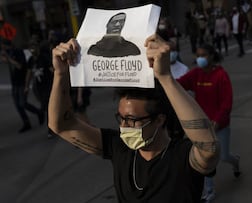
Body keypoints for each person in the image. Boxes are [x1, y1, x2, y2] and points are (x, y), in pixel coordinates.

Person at [49, 34, 220, 202]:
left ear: (160, 120)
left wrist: (166, 78)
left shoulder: (181, 157)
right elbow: (61, 125)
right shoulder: (120, 148)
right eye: (121, 118)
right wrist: (60, 74)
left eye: (132, 120)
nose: (124, 126)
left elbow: (209, 149)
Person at [177, 44, 240, 202]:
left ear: (212, 56)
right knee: (204, 160)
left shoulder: (221, 75)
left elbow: (226, 104)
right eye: (198, 55)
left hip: (220, 125)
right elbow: (179, 84)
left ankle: (235, 162)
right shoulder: (196, 74)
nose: (200, 58)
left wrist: (217, 122)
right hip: (202, 127)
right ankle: (209, 191)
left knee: (224, 156)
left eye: (203, 55)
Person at [0, 38, 43, 133]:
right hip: (14, 83)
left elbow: (19, 66)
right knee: (17, 105)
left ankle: (39, 112)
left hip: (21, 82)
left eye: (2, 45)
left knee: (23, 103)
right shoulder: (8, 53)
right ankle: (26, 122)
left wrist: (8, 59)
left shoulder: (18, 52)